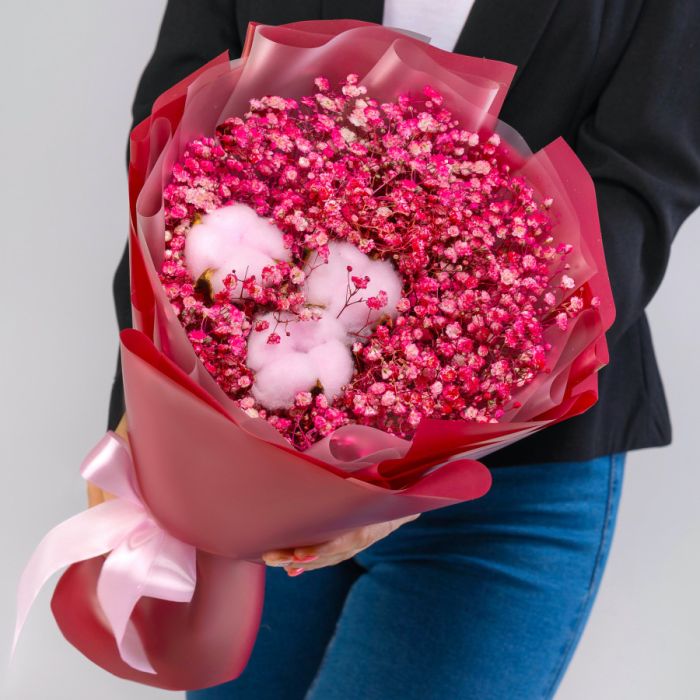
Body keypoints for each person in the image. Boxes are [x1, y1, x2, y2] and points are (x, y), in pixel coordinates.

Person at [91, 1, 700, 697]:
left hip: (509, 487)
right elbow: (174, 132)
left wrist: (410, 456)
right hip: (250, 441)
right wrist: (146, 405)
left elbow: (638, 192)